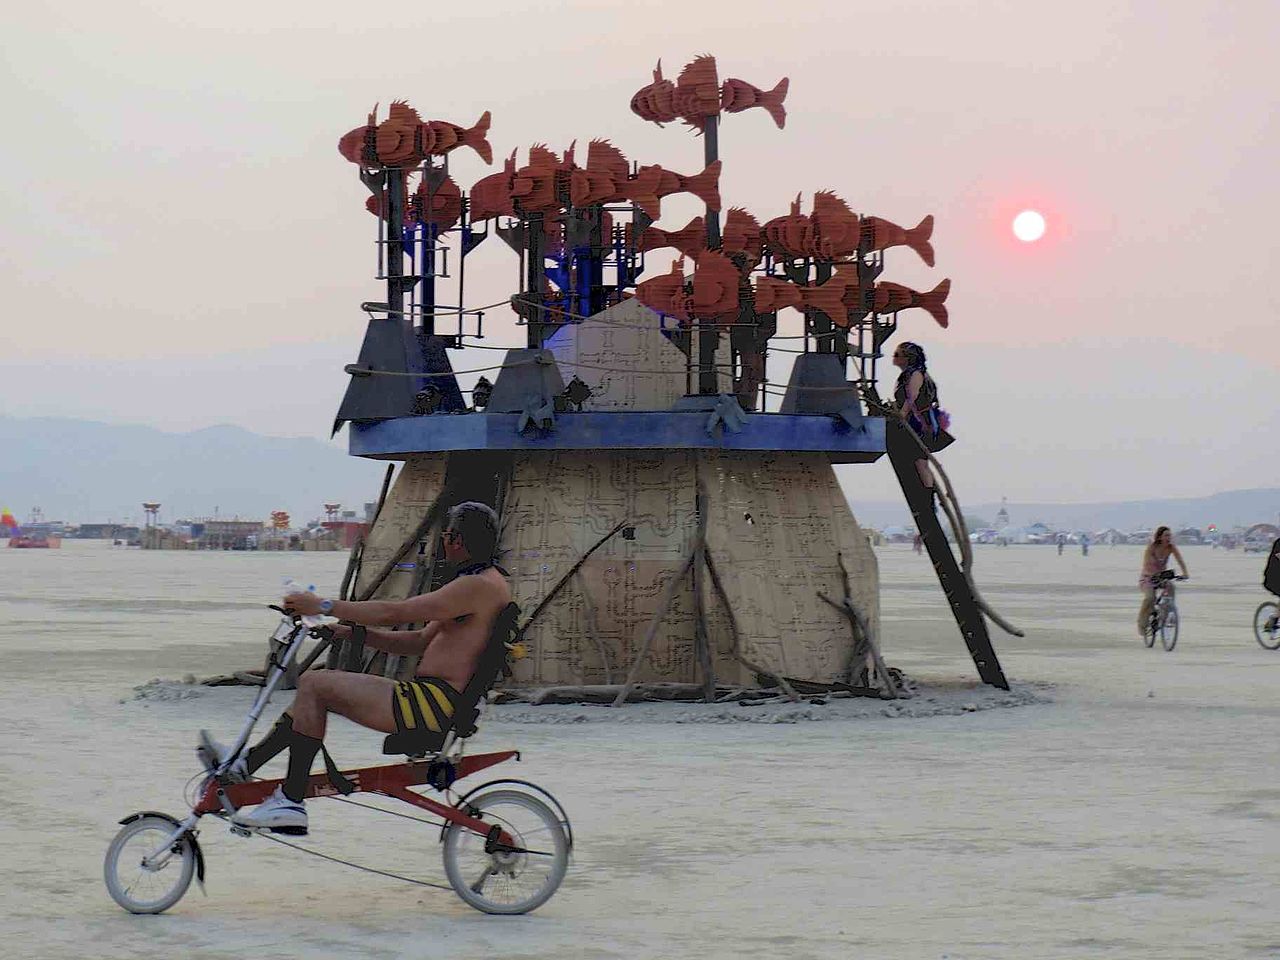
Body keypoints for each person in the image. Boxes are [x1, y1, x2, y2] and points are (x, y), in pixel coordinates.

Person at [201, 502, 511, 835]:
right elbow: (418, 642)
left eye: (446, 537)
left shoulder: (474, 587)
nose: (444, 545)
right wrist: (349, 632)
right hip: (430, 700)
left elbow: (395, 612)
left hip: (430, 705)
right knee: (312, 691)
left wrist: (323, 605)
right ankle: (248, 764)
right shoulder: (481, 583)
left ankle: (290, 801)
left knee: (315, 685)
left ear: (455, 540)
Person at [891, 342, 952, 502]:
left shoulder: (916, 374)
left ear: (908, 358)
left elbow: (912, 397)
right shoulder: (909, 374)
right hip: (916, 421)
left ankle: (928, 496)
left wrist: (902, 415)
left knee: (920, 461)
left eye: (898, 355)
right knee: (918, 460)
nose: (894, 358)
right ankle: (927, 493)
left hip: (919, 423)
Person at [1137, 526, 1189, 639]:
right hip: (1148, 577)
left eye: (1170, 535)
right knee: (1150, 598)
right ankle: (1142, 624)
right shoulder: (1151, 547)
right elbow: (1146, 563)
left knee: (1171, 587)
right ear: (1160, 537)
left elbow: (1180, 560)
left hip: (1161, 577)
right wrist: (1152, 574)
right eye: (1166, 535)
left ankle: (1167, 613)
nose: (1168, 538)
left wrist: (1185, 573)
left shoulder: (1171, 547)